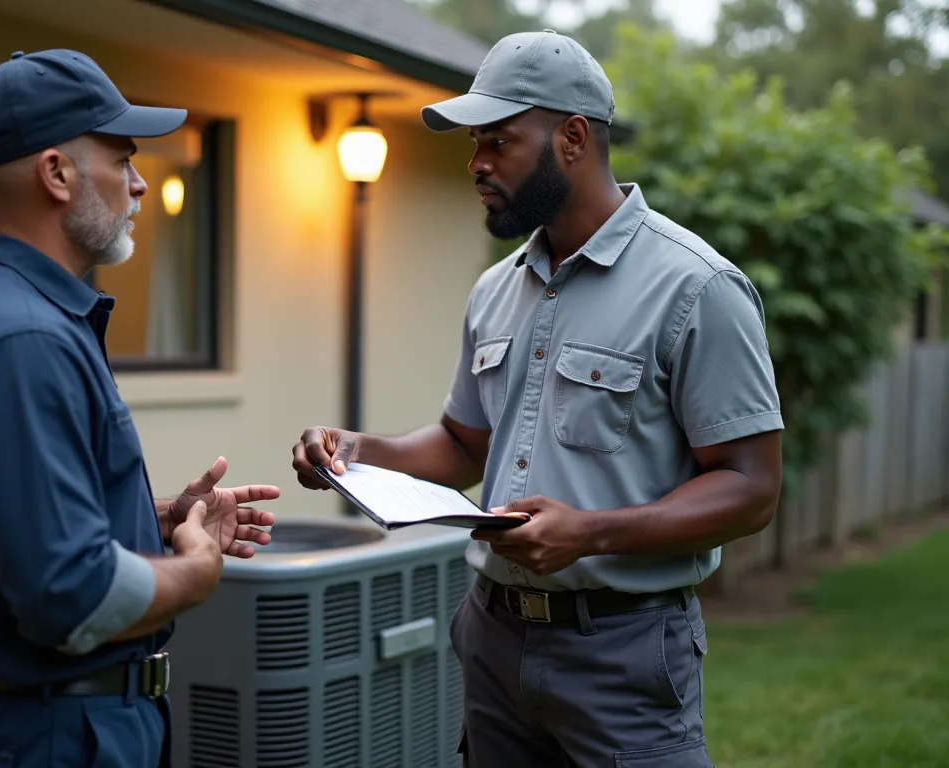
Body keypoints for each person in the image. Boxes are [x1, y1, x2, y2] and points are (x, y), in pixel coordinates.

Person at [291, 29, 783, 767]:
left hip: (622, 651)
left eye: (498, 141)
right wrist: (358, 453)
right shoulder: (496, 290)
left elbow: (752, 488)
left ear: (574, 138)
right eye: (474, 143)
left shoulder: (696, 289)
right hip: (492, 637)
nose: (476, 164)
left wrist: (590, 532)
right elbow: (465, 446)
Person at [0, 49, 278, 768]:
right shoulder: (21, 338)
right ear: (56, 173)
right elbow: (66, 594)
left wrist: (157, 520)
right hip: (49, 740)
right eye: (124, 159)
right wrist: (194, 573)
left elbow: (20, 531)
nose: (140, 184)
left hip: (58, 728)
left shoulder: (21, 316)